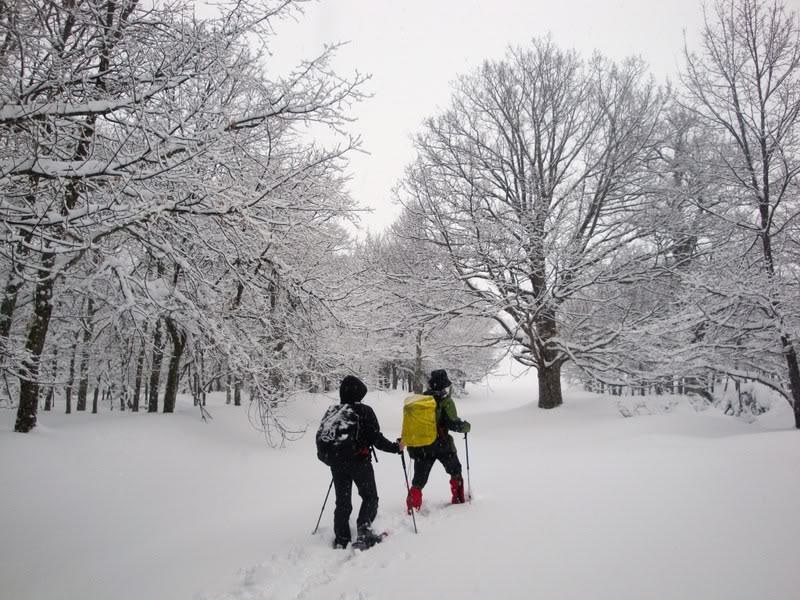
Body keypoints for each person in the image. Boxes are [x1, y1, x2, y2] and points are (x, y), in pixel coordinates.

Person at [328, 375, 403, 550]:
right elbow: (376, 439)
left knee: (342, 501)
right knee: (370, 497)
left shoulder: (334, 411)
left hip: (338, 463)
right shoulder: (365, 411)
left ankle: (341, 538)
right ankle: (364, 530)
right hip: (359, 461)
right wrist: (396, 448)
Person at [406, 369, 471, 513]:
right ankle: (459, 500)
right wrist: (466, 427)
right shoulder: (446, 401)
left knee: (418, 481)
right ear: (444, 385)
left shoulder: (420, 400)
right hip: (442, 445)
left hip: (422, 446)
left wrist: (412, 446)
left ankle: (412, 508)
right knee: (455, 471)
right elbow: (453, 423)